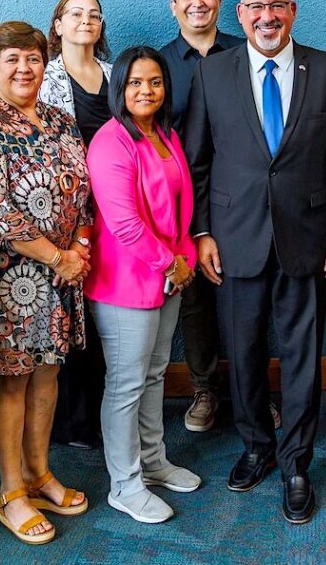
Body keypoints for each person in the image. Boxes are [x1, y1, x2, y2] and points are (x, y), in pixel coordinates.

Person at [184, 0, 326, 524]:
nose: (267, 16)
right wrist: (202, 232)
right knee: (241, 354)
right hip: (234, 240)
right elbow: (199, 161)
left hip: (308, 240)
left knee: (303, 356)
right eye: (256, 7)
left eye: (277, 6)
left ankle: (296, 464)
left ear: (293, 10)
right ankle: (257, 446)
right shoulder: (214, 73)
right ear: (239, 15)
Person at [0, 21, 93, 545]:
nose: (24, 68)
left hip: (62, 276)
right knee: (9, 380)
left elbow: (83, 191)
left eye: (33, 59)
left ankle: (39, 472)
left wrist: (78, 248)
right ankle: (11, 490)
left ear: (45, 62)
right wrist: (58, 257)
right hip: (8, 280)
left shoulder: (61, 121)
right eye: (12, 58)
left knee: (47, 376)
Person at [85, 46, 202, 524]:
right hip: (125, 284)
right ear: (119, 89)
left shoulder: (165, 134)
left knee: (154, 375)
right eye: (135, 83)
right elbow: (124, 223)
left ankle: (153, 463)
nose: (146, 91)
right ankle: (125, 485)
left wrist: (184, 261)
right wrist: (170, 265)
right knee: (127, 385)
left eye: (154, 82)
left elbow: (182, 209)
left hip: (168, 278)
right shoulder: (111, 142)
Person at [158, 0, 251, 433]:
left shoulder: (246, 51)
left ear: (219, 3)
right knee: (193, 299)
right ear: (174, 6)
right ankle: (204, 389)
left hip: (241, 196)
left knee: (245, 295)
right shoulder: (158, 65)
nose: (198, 2)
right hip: (180, 200)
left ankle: (249, 392)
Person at [39, 0, 112, 448]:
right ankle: (72, 422)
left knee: (107, 310)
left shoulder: (114, 73)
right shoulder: (45, 78)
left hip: (116, 210)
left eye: (95, 15)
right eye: (76, 14)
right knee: (71, 311)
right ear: (59, 24)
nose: (87, 20)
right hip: (68, 216)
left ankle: (103, 414)